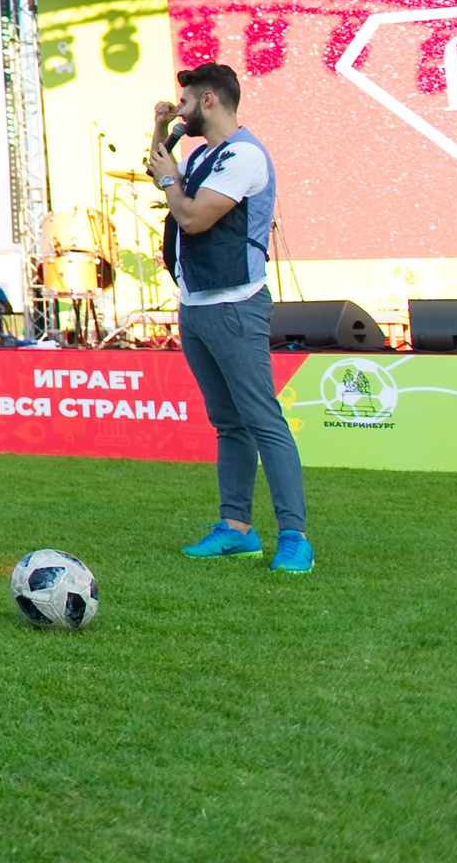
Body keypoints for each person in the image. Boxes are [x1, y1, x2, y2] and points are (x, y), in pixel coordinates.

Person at [148, 62, 309, 574]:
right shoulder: (201, 153)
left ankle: (294, 536)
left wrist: (171, 179)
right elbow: (160, 166)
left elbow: (193, 217)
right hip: (198, 304)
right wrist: (160, 128)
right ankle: (236, 528)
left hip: (236, 304)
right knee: (229, 423)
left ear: (210, 100)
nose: (183, 110)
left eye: (188, 102)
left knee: (262, 420)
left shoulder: (243, 155)